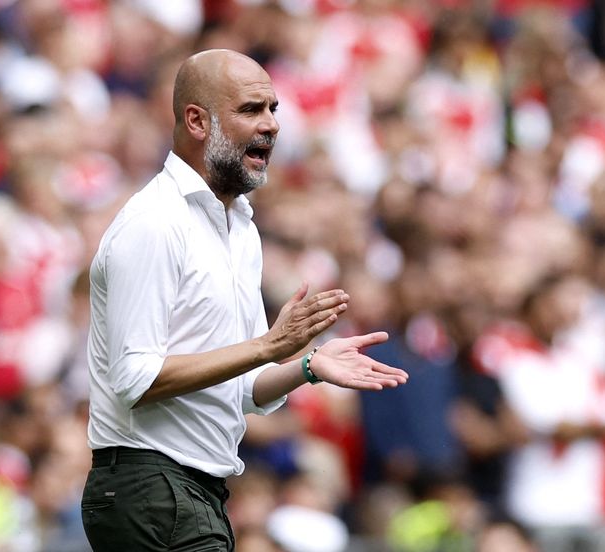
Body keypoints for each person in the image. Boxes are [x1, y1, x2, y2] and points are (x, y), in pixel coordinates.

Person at [80, 48, 409, 552]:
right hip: (150, 485)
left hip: (195, 492)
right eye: (251, 110)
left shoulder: (241, 230)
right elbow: (135, 379)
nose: (272, 125)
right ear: (196, 120)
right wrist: (268, 347)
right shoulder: (154, 223)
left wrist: (307, 366)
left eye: (274, 109)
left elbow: (242, 384)